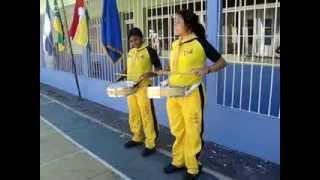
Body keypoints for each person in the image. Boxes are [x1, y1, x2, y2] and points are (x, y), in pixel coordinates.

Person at [161, 9, 227, 180]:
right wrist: (164, 73)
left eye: (177, 22)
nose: (174, 25)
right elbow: (174, 68)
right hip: (173, 93)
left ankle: (192, 167)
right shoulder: (175, 44)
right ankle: (178, 161)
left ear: (188, 25)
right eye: (174, 21)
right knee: (177, 130)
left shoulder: (200, 43)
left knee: (192, 131)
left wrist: (208, 69)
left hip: (192, 94)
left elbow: (222, 62)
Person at [118, 27, 162, 157]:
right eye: (131, 41)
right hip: (131, 88)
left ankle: (151, 143)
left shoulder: (150, 51)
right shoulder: (131, 52)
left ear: (141, 38)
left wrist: (150, 73)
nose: (133, 43)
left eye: (136, 40)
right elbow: (129, 66)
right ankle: (137, 136)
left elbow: (159, 70)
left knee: (147, 115)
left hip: (144, 89)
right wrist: (124, 73)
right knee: (134, 113)